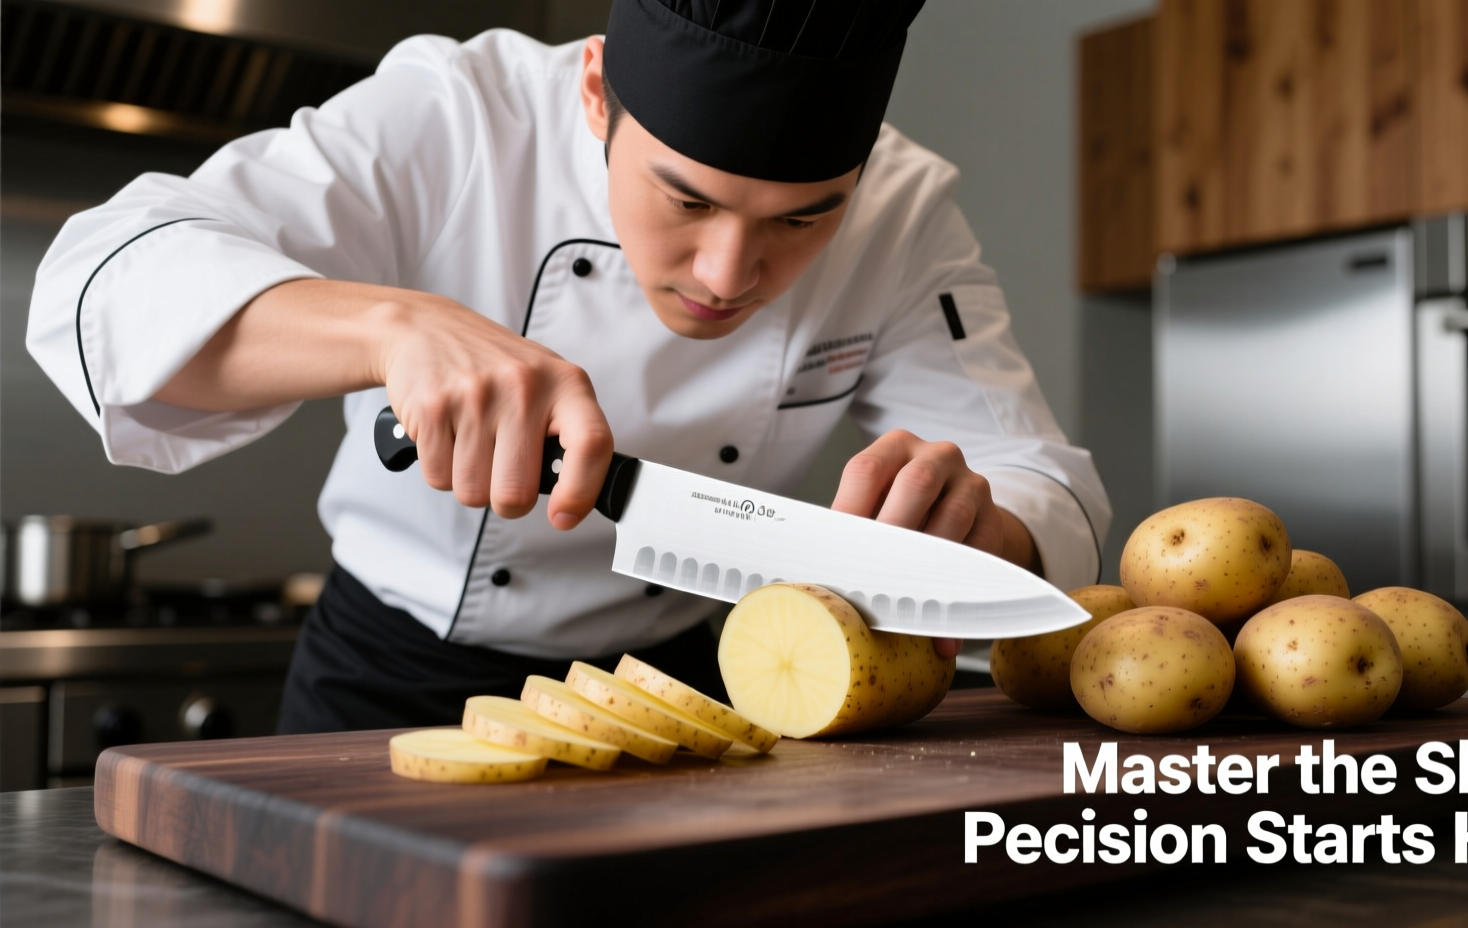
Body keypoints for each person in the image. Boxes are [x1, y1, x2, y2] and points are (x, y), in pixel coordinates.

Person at [26, 0, 1111, 733]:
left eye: (803, 218)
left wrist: (978, 525)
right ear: (595, 91)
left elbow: (1037, 471)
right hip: (387, 677)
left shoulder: (904, 211)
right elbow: (101, 283)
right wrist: (392, 328)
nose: (728, 274)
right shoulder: (456, 114)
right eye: (684, 199)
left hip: (674, 684)